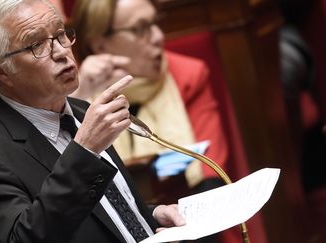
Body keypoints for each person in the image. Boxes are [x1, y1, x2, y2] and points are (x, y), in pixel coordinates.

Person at [0, 0, 184, 242]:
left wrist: (151, 215)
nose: (61, 51)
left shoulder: (83, 112)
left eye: (60, 34)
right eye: (36, 44)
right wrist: (84, 151)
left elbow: (104, 212)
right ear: (1, 71)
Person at [71, 0, 229, 202]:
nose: (158, 37)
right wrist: (78, 97)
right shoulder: (75, 91)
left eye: (155, 23)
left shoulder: (188, 76)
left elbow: (211, 174)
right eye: (140, 29)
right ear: (99, 43)